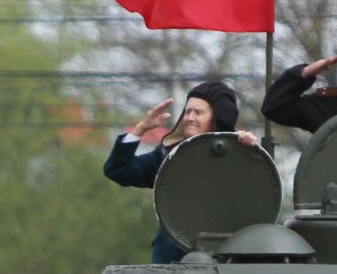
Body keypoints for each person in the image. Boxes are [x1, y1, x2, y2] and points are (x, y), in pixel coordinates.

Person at [103, 81, 261, 264]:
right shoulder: (169, 158)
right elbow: (118, 170)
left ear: (216, 118)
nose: (190, 117)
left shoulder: (236, 157)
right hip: (170, 261)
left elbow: (255, 196)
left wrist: (245, 151)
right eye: (188, 111)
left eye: (199, 112)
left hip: (224, 262)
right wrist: (142, 128)